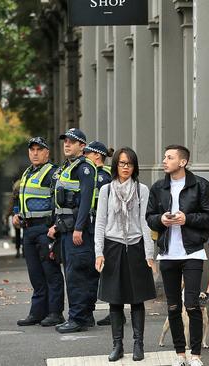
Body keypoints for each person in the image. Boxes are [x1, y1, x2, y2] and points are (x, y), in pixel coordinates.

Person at [146, 144, 209, 366]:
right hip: (167, 253)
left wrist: (187, 219)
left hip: (193, 252)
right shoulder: (158, 187)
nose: (164, 161)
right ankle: (179, 355)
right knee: (173, 306)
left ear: (183, 162)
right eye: (165, 157)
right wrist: (161, 220)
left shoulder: (200, 186)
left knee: (192, 304)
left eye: (170, 157)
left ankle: (195, 355)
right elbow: (149, 217)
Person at [95, 147, 156, 362]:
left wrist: (149, 253)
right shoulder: (106, 190)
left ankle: (138, 345)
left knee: (137, 299)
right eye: (121, 163)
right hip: (112, 248)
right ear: (115, 165)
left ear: (134, 166)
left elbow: (145, 223)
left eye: (129, 164)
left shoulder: (142, 190)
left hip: (136, 247)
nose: (125, 167)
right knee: (115, 299)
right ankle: (117, 345)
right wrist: (98, 252)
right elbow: (100, 223)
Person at [47, 128, 98, 333]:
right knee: (76, 274)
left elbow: (86, 200)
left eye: (72, 142)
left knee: (76, 275)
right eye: (65, 141)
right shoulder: (67, 167)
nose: (67, 144)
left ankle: (77, 318)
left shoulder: (84, 168)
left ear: (82, 146)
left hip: (78, 231)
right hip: (66, 229)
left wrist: (78, 228)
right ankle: (84, 317)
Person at [14, 137, 65, 327]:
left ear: (47, 153)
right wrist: (16, 214)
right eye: (32, 150)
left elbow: (59, 201)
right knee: (35, 274)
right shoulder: (27, 172)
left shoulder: (53, 173)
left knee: (51, 272)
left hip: (45, 229)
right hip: (28, 229)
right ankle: (37, 312)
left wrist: (55, 226)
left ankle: (55, 313)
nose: (35, 153)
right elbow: (20, 198)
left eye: (39, 149)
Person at [83, 140, 114, 327]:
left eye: (86, 154)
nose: (84, 158)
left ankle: (113, 310)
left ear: (96, 156)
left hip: (103, 227)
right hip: (100, 226)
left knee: (103, 270)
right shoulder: (101, 174)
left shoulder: (102, 176)